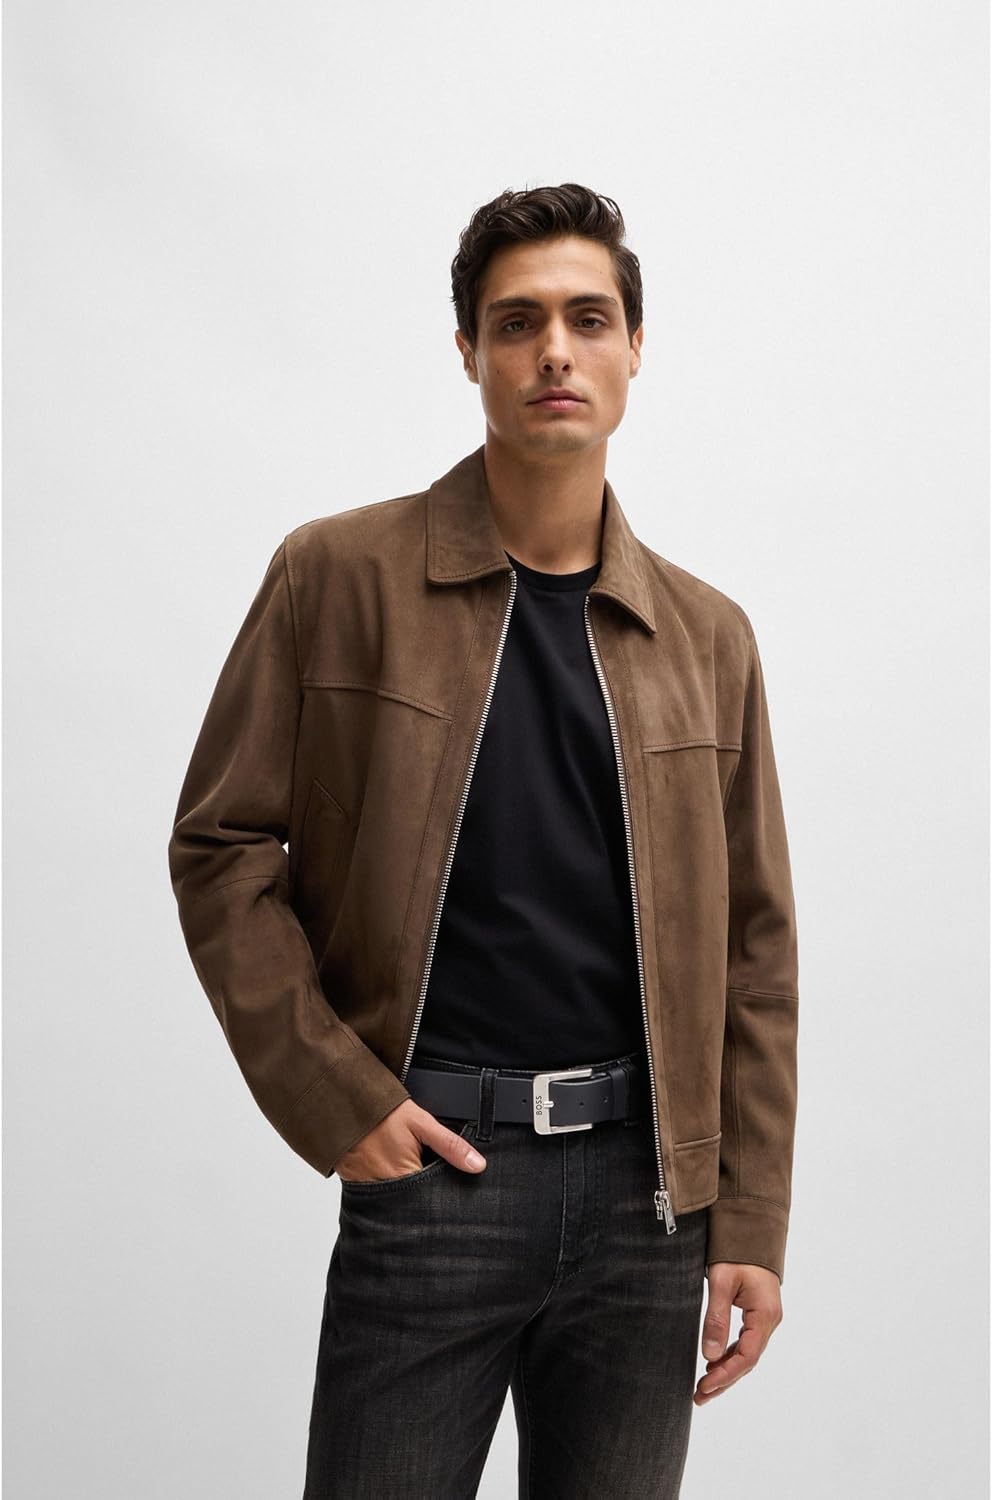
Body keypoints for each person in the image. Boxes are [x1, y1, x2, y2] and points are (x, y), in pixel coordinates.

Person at [168, 182, 800, 1499]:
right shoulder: (337, 576)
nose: (554, 351)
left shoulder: (708, 637)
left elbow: (755, 951)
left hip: (648, 1207)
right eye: (518, 323)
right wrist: (340, 1100)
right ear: (469, 351)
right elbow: (222, 845)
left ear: (635, 347)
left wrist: (747, 1213)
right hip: (436, 1179)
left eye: (588, 318)